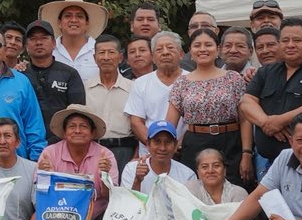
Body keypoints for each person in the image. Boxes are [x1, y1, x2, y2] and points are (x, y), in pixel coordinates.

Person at [238, 16, 302, 186]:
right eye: (285, 40)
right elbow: (246, 102)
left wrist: (281, 120)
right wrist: (266, 122)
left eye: (297, 40)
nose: (290, 45)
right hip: (269, 166)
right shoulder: (266, 72)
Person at [164, 27, 245, 173]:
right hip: (195, 143)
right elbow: (170, 123)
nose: (202, 49)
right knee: (194, 185)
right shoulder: (181, 83)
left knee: (232, 184)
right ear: (190, 51)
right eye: (197, 45)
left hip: (230, 142)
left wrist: (247, 153)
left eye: (208, 45)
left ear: (218, 49)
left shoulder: (233, 78)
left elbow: (245, 120)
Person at [0, 28, 46, 160]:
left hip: (17, 159)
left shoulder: (21, 81)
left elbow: (33, 123)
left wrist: (36, 156)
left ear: (5, 49)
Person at [80, 33, 136, 172]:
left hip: (125, 150)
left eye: (111, 52)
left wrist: (136, 155)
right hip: (92, 149)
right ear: (94, 58)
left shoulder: (133, 88)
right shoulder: (85, 88)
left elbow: (140, 123)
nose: (106, 57)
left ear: (120, 57)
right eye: (101, 53)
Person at [20, 21, 84, 137]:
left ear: (54, 43)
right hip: (27, 140)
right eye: (33, 39)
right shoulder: (20, 76)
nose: (39, 42)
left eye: (44, 38)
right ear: (26, 47)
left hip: (62, 141)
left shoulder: (69, 74)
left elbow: (78, 112)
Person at [125, 33, 185, 143]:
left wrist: (179, 145)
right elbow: (136, 122)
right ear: (152, 57)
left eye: (170, 48)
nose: (165, 52)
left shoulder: (192, 80)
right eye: (159, 49)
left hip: (185, 147)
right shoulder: (140, 83)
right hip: (150, 149)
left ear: (181, 54)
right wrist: (155, 145)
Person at [122, 121, 198, 201]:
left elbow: (191, 206)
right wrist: (137, 181)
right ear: (148, 144)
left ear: (175, 145)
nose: (162, 148)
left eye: (168, 142)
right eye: (157, 142)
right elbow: (127, 204)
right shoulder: (131, 169)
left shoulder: (188, 175)